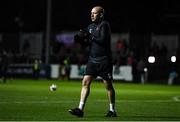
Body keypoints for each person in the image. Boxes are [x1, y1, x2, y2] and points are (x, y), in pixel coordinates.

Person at [69, 6, 117, 117]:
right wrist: (79, 39)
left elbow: (103, 41)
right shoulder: (90, 26)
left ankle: (112, 110)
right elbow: (87, 41)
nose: (91, 15)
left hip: (104, 61)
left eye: (94, 13)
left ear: (100, 15)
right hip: (92, 60)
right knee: (85, 82)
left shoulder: (104, 25)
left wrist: (90, 37)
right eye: (91, 13)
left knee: (108, 86)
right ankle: (80, 109)